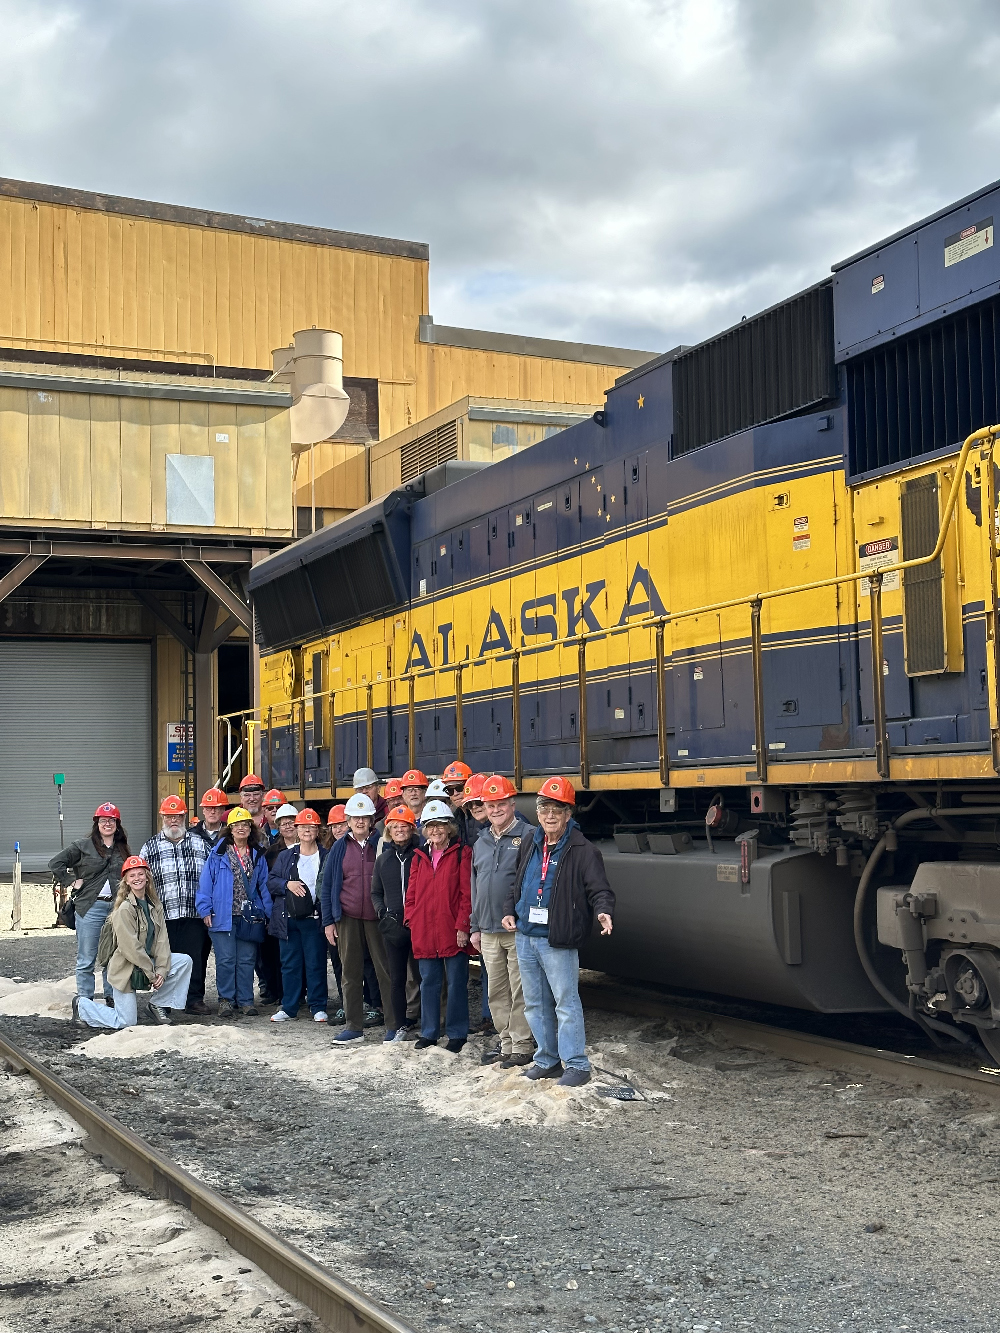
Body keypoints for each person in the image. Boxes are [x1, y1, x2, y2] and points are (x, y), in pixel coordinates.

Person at [501, 776, 615, 1088]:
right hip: (526, 936)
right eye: (545, 808)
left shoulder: (584, 850)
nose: (550, 815)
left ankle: (576, 1065)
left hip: (558, 939)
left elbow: (599, 890)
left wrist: (604, 911)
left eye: (558, 809)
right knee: (535, 1003)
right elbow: (518, 882)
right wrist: (509, 911)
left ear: (569, 814)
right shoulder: (530, 841)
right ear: (538, 812)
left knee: (566, 1002)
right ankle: (547, 1059)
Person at [71, 856, 193, 1030]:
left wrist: (162, 971)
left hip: (146, 964)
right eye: (132, 875)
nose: (137, 878)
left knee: (184, 961)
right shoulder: (124, 909)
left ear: (147, 877)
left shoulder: (155, 905)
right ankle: (82, 1006)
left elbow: (162, 941)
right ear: (126, 881)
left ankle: (157, 1004)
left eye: (140, 874)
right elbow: (130, 948)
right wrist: (152, 974)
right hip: (125, 969)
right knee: (126, 1022)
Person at [470, 775, 535, 1067]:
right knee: (496, 990)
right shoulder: (481, 841)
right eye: (490, 804)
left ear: (512, 804)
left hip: (516, 928)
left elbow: (533, 883)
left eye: (501, 804)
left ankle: (522, 1044)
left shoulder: (530, 836)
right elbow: (474, 887)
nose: (495, 809)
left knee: (520, 988)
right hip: (488, 929)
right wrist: (474, 927)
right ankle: (506, 1042)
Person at [320, 793, 396, 1044]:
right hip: (348, 917)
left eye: (365, 817)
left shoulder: (382, 844)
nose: (360, 822)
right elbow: (328, 885)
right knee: (350, 973)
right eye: (355, 818)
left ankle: (393, 1025)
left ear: (372, 819)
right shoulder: (339, 848)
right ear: (348, 820)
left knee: (385, 971)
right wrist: (329, 921)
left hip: (378, 917)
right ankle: (354, 1027)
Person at [404, 799, 474, 1053]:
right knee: (428, 982)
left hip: (452, 928)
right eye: (430, 826)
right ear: (424, 829)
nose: (435, 831)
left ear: (449, 828)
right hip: (424, 928)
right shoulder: (419, 857)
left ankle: (457, 1033)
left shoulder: (461, 854)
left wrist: (463, 926)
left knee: (456, 982)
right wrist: (411, 918)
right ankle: (429, 1032)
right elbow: (411, 894)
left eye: (440, 825)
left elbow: (467, 895)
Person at [49, 801, 131, 1009]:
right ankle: (85, 999)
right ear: (97, 823)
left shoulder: (123, 849)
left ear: (117, 824)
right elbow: (56, 863)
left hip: (116, 909)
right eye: (103, 820)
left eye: (111, 820)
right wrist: (69, 881)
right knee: (87, 957)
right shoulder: (82, 845)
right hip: (90, 907)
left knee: (112, 955)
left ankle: (111, 997)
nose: (107, 824)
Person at [139, 794, 211, 1016]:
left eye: (178, 816)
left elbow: (213, 878)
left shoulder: (201, 844)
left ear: (184, 816)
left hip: (193, 913)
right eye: (169, 816)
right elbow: (139, 880)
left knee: (195, 958)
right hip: (163, 914)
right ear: (162, 817)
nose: (174, 821)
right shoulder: (150, 847)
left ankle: (194, 1000)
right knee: (166, 959)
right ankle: (166, 1000)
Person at [197, 807, 272, 1019]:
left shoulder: (257, 854)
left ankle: (246, 1001)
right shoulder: (217, 853)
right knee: (226, 960)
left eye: (245, 824)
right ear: (229, 829)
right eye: (237, 825)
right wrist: (205, 909)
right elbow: (205, 885)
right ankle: (226, 1001)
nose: (241, 828)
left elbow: (263, 886)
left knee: (247, 960)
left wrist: (267, 913)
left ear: (251, 828)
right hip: (223, 915)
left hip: (250, 916)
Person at [268, 809, 329, 1023]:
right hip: (289, 919)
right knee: (290, 963)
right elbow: (271, 882)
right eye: (303, 827)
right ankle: (290, 1007)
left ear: (317, 830)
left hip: (314, 919)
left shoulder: (326, 855)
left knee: (316, 962)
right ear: (297, 829)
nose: (307, 831)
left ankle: (318, 1006)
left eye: (311, 827)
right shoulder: (286, 856)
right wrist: (287, 884)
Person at [371, 804, 421, 1043]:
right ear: (389, 829)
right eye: (395, 827)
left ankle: (431, 1022)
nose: (400, 830)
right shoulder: (383, 860)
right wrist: (383, 913)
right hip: (393, 925)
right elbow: (375, 892)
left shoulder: (421, 855)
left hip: (420, 923)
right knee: (397, 978)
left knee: (425, 976)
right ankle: (397, 1025)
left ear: (412, 829)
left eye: (405, 826)